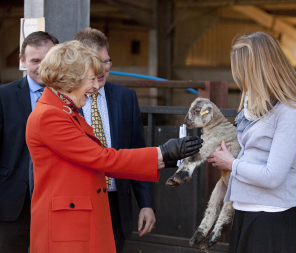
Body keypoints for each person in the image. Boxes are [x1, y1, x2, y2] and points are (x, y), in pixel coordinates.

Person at [25, 40, 202, 253]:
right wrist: (161, 152)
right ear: (71, 78)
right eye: (91, 79)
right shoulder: (50, 116)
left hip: (76, 225)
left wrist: (166, 159)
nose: (96, 86)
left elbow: (104, 162)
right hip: (68, 230)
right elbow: (102, 158)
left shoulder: (63, 110)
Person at [207, 31, 296, 253]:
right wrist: (230, 155)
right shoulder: (255, 106)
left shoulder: (292, 111)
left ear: (259, 69)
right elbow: (254, 155)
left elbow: (273, 176)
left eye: (244, 72)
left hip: (272, 219)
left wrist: (232, 164)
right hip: (246, 212)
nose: (242, 78)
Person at [73, 28, 155, 252]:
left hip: (116, 203)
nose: (103, 69)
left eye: (106, 61)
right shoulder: (66, 101)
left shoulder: (125, 97)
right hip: (79, 204)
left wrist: (146, 204)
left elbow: (137, 151)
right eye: (96, 62)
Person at [0, 31, 58, 253]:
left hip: (57, 202)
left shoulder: (73, 97)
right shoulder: (4, 96)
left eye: (48, 59)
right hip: (12, 203)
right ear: (22, 62)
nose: (42, 67)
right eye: (35, 60)